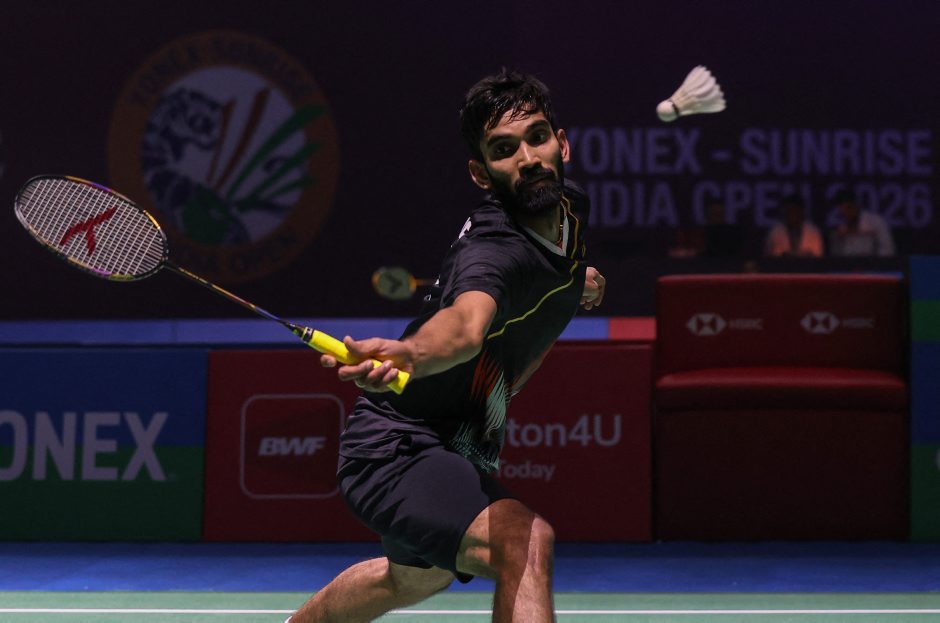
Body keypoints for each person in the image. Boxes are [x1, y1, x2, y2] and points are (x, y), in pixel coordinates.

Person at [288, 70, 605, 623]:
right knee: (524, 543)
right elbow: (463, 326)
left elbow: (551, 279)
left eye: (537, 137)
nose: (528, 158)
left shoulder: (568, 207)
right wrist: (411, 354)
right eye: (503, 150)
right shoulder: (491, 249)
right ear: (481, 173)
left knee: (411, 579)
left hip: (458, 445)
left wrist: (580, 281)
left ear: (562, 143)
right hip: (395, 448)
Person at [828, 188, 895, 256]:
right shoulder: (838, 225)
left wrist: (874, 260)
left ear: (857, 205)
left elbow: (887, 249)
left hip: (872, 261)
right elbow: (836, 253)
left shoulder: (875, 221)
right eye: (842, 209)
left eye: (849, 207)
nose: (847, 212)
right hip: (847, 262)